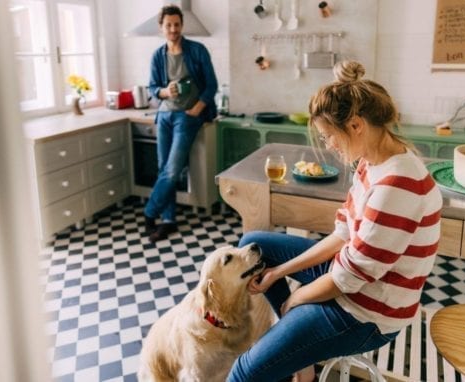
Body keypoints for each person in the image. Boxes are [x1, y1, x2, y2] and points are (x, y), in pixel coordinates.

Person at [226, 60, 443, 382]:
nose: (328, 146)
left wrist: (295, 300)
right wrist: (278, 273)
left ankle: (295, 345)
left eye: (329, 136)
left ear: (356, 125)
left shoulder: (397, 187)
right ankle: (302, 362)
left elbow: (348, 279)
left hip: (368, 313)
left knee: (244, 371)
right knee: (255, 247)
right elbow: (343, 234)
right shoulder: (373, 162)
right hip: (353, 279)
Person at [144, 4, 218, 242]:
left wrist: (197, 108)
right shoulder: (158, 55)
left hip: (187, 117)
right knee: (163, 167)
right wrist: (165, 91)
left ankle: (149, 211)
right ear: (161, 27)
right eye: (168, 25)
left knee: (173, 169)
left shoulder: (197, 50)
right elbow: (153, 88)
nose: (173, 29)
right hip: (165, 115)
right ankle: (168, 220)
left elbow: (211, 85)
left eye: (177, 24)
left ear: (182, 25)